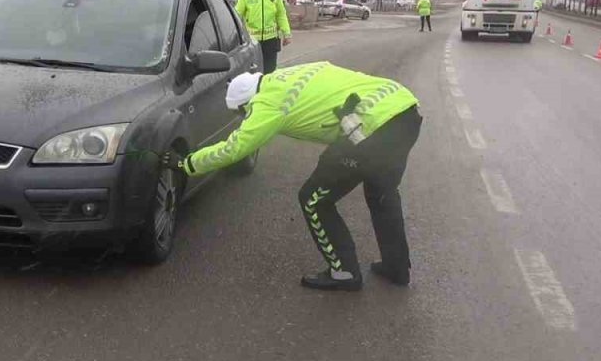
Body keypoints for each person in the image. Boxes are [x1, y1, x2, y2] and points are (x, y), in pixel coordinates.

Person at [173, 62, 422, 291]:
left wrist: (187, 164)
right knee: (381, 192)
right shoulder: (285, 75)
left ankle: (344, 273)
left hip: (373, 127)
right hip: (403, 110)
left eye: (240, 113)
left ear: (245, 103)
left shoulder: (267, 104)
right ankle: (397, 267)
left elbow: (233, 149)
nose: (242, 118)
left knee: (313, 199)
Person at [234, 0, 291, 73]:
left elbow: (281, 14)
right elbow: (237, 15)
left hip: (271, 40)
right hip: (252, 41)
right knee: (253, 72)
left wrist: (287, 33)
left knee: (269, 71)